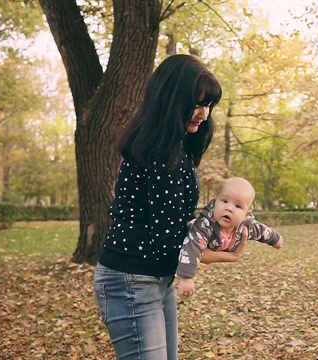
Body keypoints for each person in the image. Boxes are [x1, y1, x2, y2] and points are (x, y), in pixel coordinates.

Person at [93, 54, 246, 360]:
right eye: (196, 103)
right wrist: (227, 255)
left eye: (208, 105)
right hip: (131, 279)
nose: (203, 113)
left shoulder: (175, 150)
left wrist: (221, 226)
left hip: (156, 278)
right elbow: (169, 240)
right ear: (170, 99)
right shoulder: (158, 156)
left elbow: (178, 223)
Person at [177, 177, 284, 297]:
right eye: (224, 201)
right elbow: (192, 248)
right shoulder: (204, 225)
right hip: (179, 241)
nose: (229, 208)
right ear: (214, 202)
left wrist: (275, 239)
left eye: (238, 206)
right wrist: (186, 278)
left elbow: (262, 231)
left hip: (215, 247)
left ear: (246, 214)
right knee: (192, 241)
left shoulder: (244, 226)